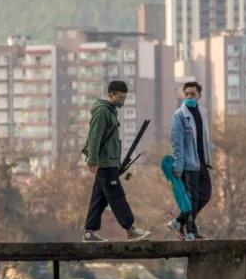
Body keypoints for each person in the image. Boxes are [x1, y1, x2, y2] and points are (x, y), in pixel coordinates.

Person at [83, 80, 151, 242]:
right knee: (117, 196)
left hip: (111, 162)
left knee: (99, 198)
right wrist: (93, 160)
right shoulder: (102, 112)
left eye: (125, 98)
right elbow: (95, 137)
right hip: (105, 163)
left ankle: (89, 232)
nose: (123, 101)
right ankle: (131, 230)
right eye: (120, 97)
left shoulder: (111, 111)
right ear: (111, 94)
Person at [167, 81, 213, 240]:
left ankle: (179, 222)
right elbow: (177, 143)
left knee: (205, 195)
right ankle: (191, 232)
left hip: (202, 162)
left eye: (192, 94)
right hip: (188, 164)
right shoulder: (179, 115)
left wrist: (209, 158)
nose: (189, 97)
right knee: (192, 198)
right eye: (186, 94)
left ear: (199, 95)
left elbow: (205, 139)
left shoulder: (203, 113)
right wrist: (178, 166)